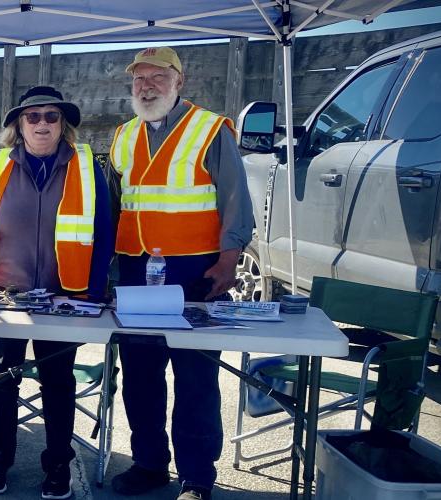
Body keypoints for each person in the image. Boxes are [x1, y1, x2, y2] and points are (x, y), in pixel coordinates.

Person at [108, 46, 255, 500]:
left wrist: (228, 261)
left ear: (179, 81)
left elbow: (235, 200)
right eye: (139, 79)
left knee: (195, 378)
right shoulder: (122, 136)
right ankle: (149, 463)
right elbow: (114, 205)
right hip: (136, 271)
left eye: (157, 77)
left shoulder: (211, 131)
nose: (146, 86)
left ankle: (196, 478)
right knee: (141, 374)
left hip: (197, 270)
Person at [0, 86, 116, 499]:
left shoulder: (86, 166)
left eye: (52, 116)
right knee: (0, 381)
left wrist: (93, 291)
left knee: (58, 382)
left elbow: (103, 233)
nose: (43, 124)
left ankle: (58, 467)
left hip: (64, 296)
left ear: (63, 124)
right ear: (18, 125)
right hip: (5, 296)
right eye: (34, 117)